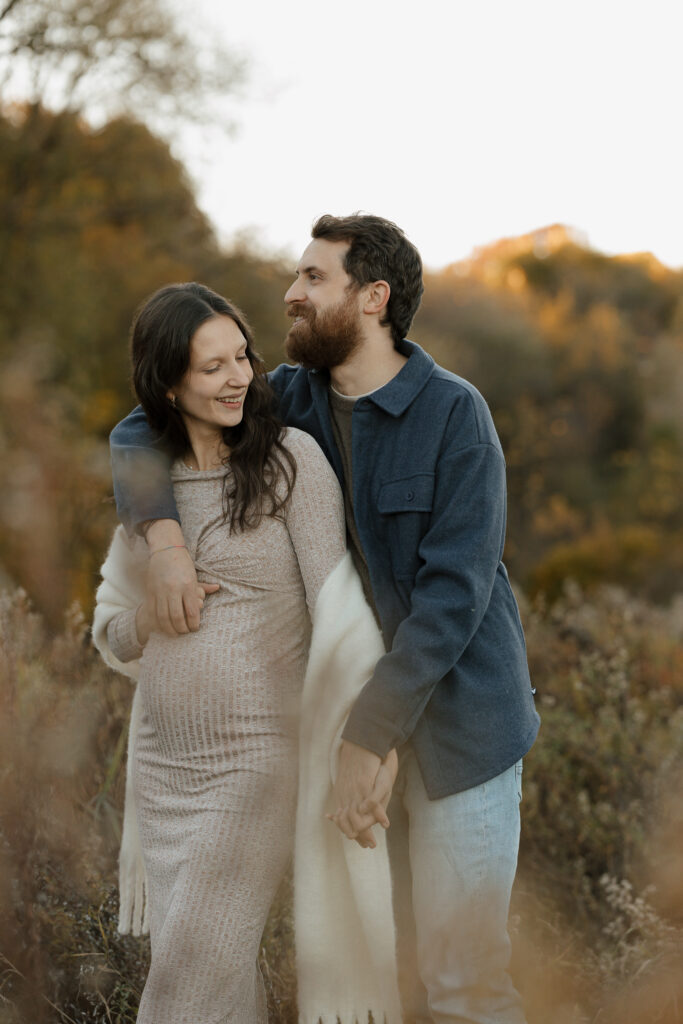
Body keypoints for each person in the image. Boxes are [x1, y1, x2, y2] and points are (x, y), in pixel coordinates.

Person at [110, 216, 541, 1024]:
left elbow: (452, 602)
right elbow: (146, 420)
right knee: (383, 979)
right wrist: (165, 544)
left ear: (372, 298)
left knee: (463, 983)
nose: (291, 293)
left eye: (313, 277)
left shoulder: (454, 414)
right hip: (350, 726)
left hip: (459, 730)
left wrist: (366, 738)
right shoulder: (290, 398)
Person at [93, 282, 401, 1024]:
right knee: (217, 981)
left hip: (254, 766)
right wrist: (149, 615)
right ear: (169, 385)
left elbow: (340, 615)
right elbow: (110, 633)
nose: (237, 378)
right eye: (212, 367)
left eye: (242, 357)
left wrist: (372, 738)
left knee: (186, 978)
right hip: (162, 770)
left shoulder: (290, 462)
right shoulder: (150, 490)